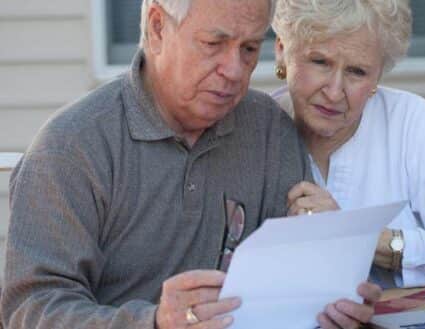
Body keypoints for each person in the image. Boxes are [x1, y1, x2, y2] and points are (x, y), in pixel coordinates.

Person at [1, 0, 380, 328]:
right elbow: (29, 309)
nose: (234, 70)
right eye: (213, 44)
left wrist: (331, 296)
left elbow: (293, 283)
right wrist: (152, 323)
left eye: (249, 49)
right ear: (157, 28)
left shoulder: (268, 130)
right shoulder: (71, 147)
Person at [271, 0, 425, 288]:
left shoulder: (409, 120)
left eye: (357, 71)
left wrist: (361, 238)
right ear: (282, 50)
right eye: (320, 62)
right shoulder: (255, 132)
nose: (334, 91)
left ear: (378, 75)